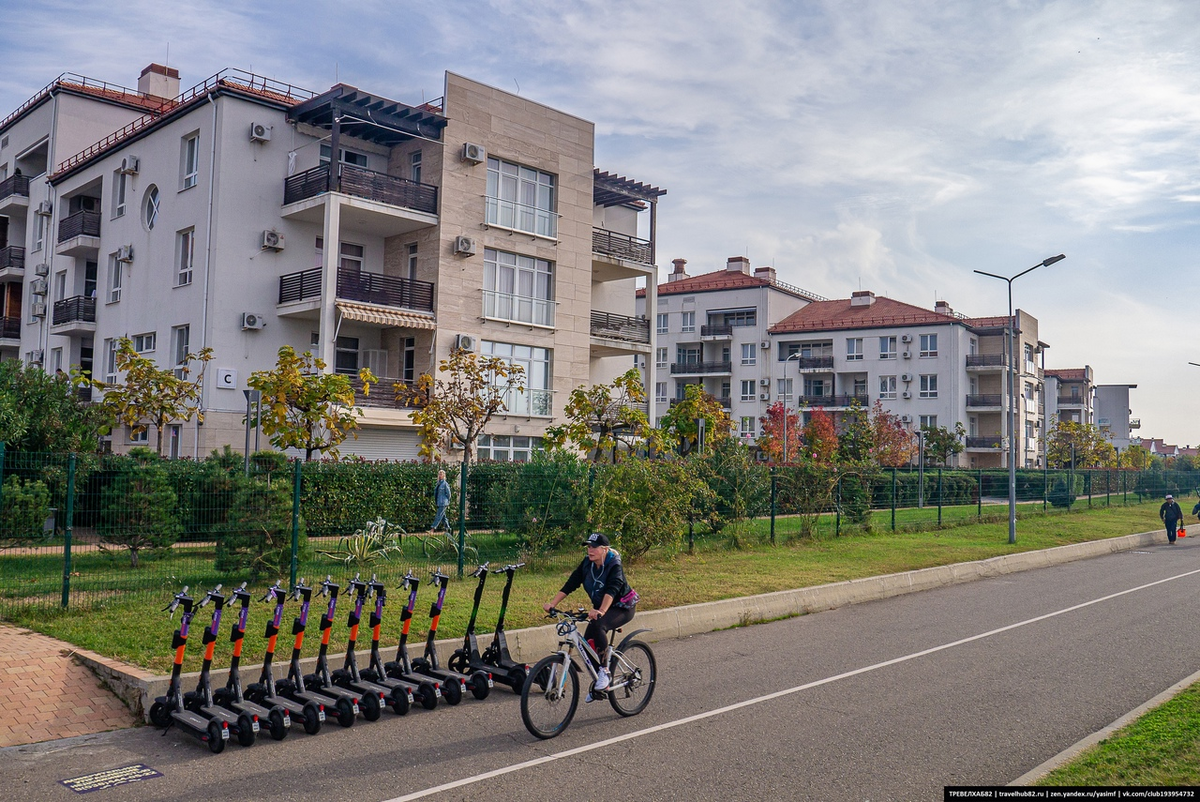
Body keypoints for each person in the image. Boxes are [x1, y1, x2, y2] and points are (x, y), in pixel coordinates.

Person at [544, 532, 637, 693]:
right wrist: (552, 604)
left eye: (594, 547)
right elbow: (571, 583)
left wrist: (601, 611)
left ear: (605, 549)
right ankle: (599, 685)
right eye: (588, 546)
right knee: (587, 646)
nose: (590, 550)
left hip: (622, 607)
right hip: (601, 608)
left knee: (599, 625)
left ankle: (605, 672)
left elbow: (612, 590)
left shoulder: (614, 565)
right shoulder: (587, 563)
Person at [429, 469, 451, 534]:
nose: (440, 475)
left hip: (443, 503)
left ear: (444, 475)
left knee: (438, 515)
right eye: (439, 474)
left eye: (441, 474)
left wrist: (447, 500)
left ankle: (432, 529)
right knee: (443, 517)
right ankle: (448, 529)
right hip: (439, 502)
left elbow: (449, 494)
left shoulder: (445, 484)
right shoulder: (438, 484)